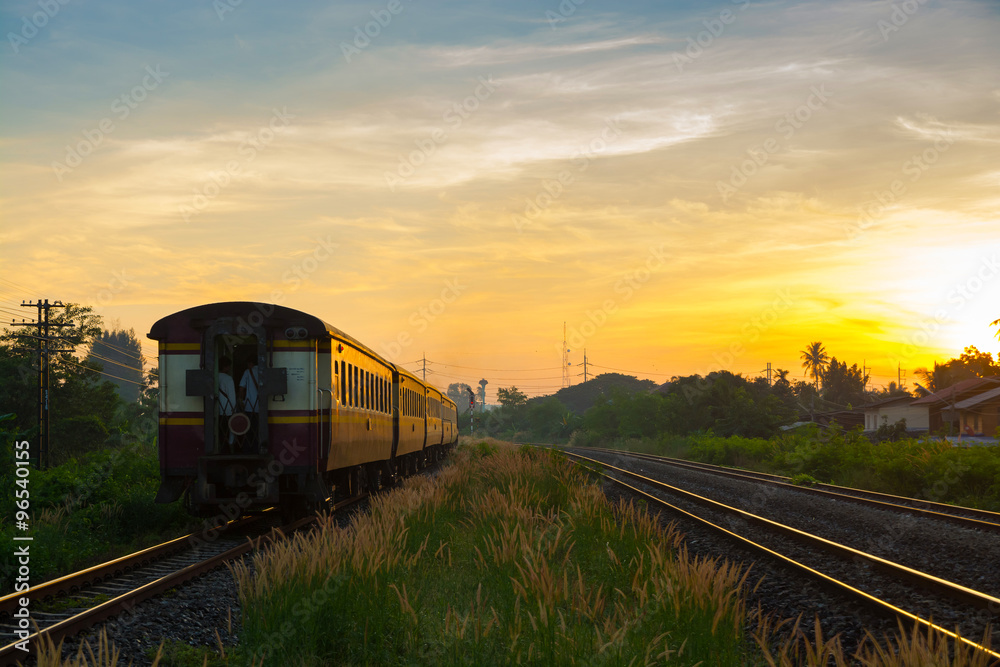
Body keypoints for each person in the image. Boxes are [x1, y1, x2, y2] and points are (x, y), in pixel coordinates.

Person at [238, 358, 260, 453]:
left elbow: (241, 388)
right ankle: (258, 449)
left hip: (249, 406)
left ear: (251, 363)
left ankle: (247, 449)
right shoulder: (264, 371)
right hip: (261, 406)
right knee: (258, 429)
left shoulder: (248, 372)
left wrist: (241, 400)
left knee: (248, 428)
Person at [217, 359, 236, 453]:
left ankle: (220, 448)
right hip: (227, 409)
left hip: (217, 409)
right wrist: (234, 409)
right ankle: (229, 449)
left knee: (220, 430)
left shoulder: (214, 376)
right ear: (226, 366)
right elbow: (231, 396)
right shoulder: (228, 379)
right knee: (229, 430)